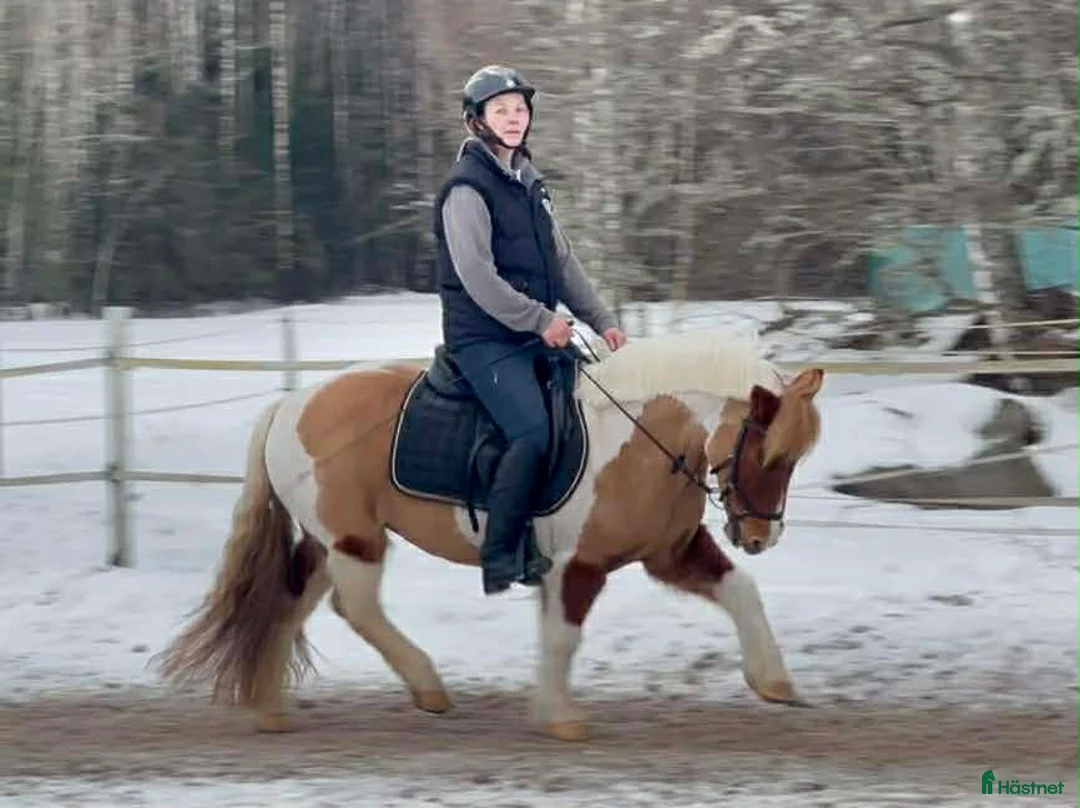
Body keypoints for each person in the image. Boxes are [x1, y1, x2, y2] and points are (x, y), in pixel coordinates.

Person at [432, 64, 628, 596]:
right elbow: (476, 276)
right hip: (484, 340)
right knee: (533, 431)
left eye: (519, 109)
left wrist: (602, 320)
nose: (514, 118)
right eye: (501, 110)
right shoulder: (466, 189)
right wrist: (541, 320)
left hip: (531, 335)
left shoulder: (528, 183)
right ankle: (501, 553)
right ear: (477, 122)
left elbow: (562, 263)